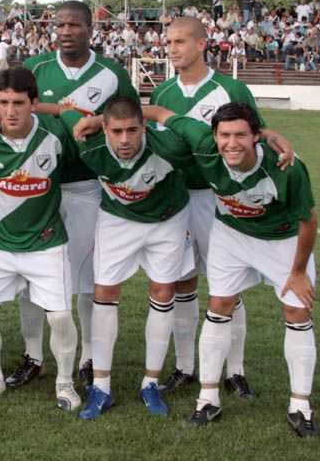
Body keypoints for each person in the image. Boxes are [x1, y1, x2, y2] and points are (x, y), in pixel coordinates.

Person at [0, 1, 138, 391]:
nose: (65, 30)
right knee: (32, 277)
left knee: (85, 276)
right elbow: (9, 106)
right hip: (34, 186)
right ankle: (34, 356)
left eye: (74, 25)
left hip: (84, 185)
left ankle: (85, 358)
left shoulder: (112, 73)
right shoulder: (35, 68)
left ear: (90, 28)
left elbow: (129, 116)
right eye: (59, 24)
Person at [142, 102, 320, 438]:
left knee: (297, 311)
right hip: (231, 234)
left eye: (241, 135)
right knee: (219, 306)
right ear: (213, 135)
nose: (231, 143)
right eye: (224, 135)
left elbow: (308, 220)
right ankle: (208, 399)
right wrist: (95, 120)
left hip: (282, 239)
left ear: (256, 136)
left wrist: (298, 272)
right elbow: (156, 113)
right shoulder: (204, 143)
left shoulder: (287, 168)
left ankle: (301, 407)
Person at [150, 16, 294, 399]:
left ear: (202, 43)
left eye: (180, 41)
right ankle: (184, 367)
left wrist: (274, 134)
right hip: (178, 199)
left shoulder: (230, 88)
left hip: (221, 199)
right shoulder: (163, 94)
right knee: (182, 283)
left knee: (227, 288)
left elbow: (257, 134)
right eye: (169, 43)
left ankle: (236, 370)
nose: (172, 49)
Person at [66, 97, 194, 419]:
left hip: (167, 220)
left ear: (144, 128)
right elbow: (59, 110)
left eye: (133, 130)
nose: (125, 140)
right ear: (104, 129)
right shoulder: (88, 142)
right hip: (117, 220)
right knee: (104, 293)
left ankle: (150, 382)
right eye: (117, 131)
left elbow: (194, 129)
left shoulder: (170, 146)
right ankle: (101, 387)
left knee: (163, 293)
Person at [0, 67, 81, 411]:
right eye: (3, 103)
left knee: (60, 318)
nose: (10, 111)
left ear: (34, 102)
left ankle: (65, 383)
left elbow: (78, 123)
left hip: (46, 243)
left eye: (19, 102)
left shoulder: (57, 133)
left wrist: (56, 109)